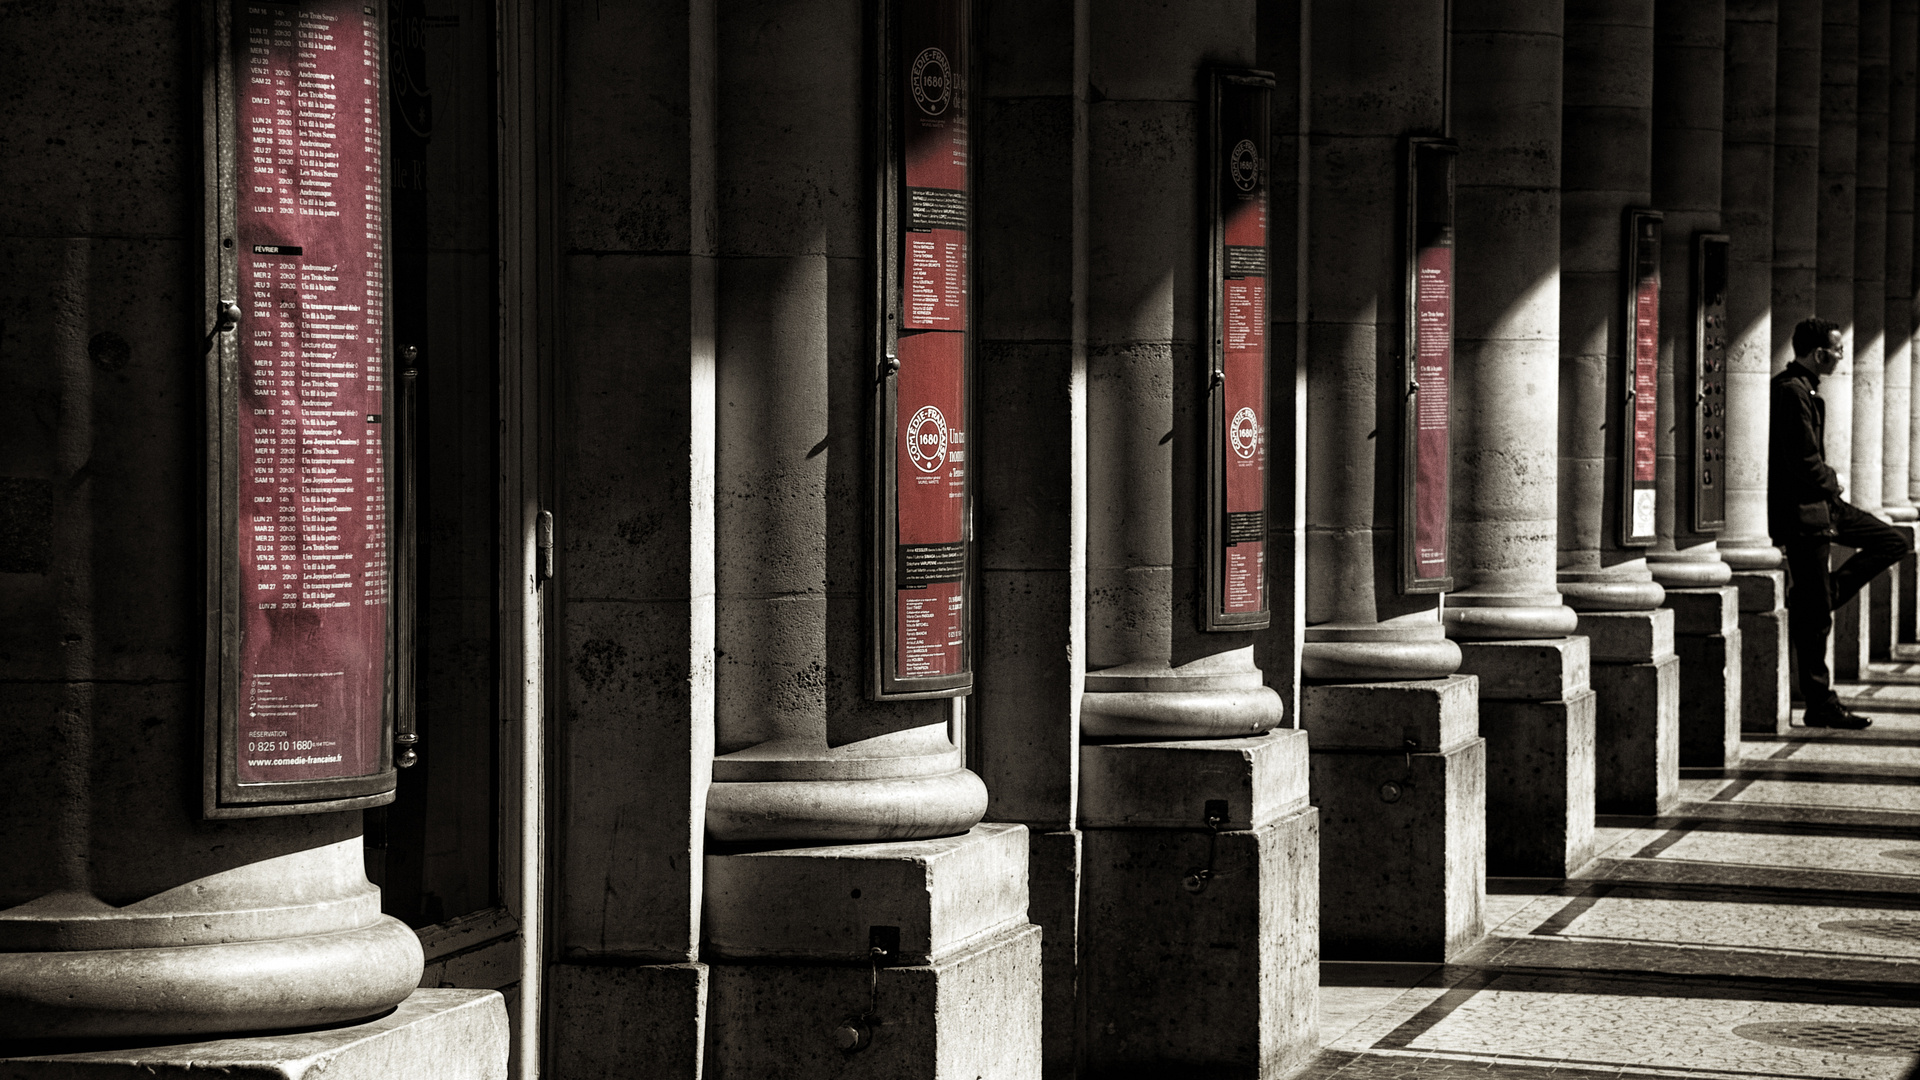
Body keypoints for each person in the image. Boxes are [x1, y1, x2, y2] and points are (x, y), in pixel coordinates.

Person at [1769, 316, 1913, 729]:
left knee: (1893, 541)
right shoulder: (1791, 392)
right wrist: (1836, 480)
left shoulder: (1805, 391)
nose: (1841, 355)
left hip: (1824, 507)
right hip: (1806, 514)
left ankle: (1822, 593)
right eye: (1837, 349)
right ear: (1819, 353)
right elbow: (1803, 462)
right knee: (1816, 620)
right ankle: (1820, 702)